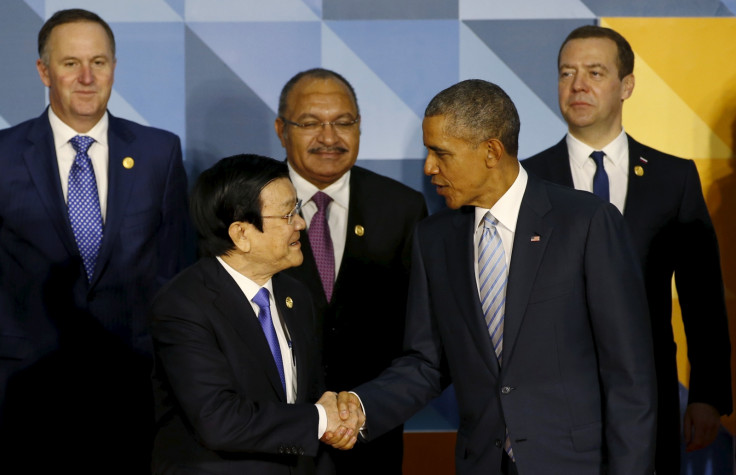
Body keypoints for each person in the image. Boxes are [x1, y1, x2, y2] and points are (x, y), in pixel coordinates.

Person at [331, 79, 657, 474]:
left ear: (491, 151)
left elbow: (629, 375)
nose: (429, 167)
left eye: (441, 153)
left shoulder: (586, 223)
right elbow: (426, 364)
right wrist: (360, 408)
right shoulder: (435, 239)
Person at [522, 25, 732, 473]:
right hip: (549, 408)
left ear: (627, 86)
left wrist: (707, 396)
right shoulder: (525, 181)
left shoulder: (672, 178)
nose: (578, 85)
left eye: (595, 72)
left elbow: (702, 297)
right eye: (566, 73)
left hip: (648, 401)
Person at [0, 9, 191, 473]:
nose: (87, 77)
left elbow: (177, 269)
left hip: (132, 388)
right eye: (71, 64)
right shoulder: (3, 156)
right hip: (26, 387)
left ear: (113, 68)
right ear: (44, 71)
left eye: (99, 62)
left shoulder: (158, 152)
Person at [150, 154, 363, 474]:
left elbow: (307, 402)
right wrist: (320, 420)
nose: (301, 223)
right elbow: (219, 421)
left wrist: (334, 419)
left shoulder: (296, 296)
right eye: (288, 214)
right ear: (241, 234)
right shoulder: (183, 305)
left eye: (297, 209)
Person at [274, 68, 428, 473]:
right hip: (274, 439)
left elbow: (419, 336)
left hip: (370, 439)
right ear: (281, 129)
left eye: (344, 122)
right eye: (310, 123)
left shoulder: (402, 209)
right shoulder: (245, 205)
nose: (329, 137)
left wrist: (363, 409)